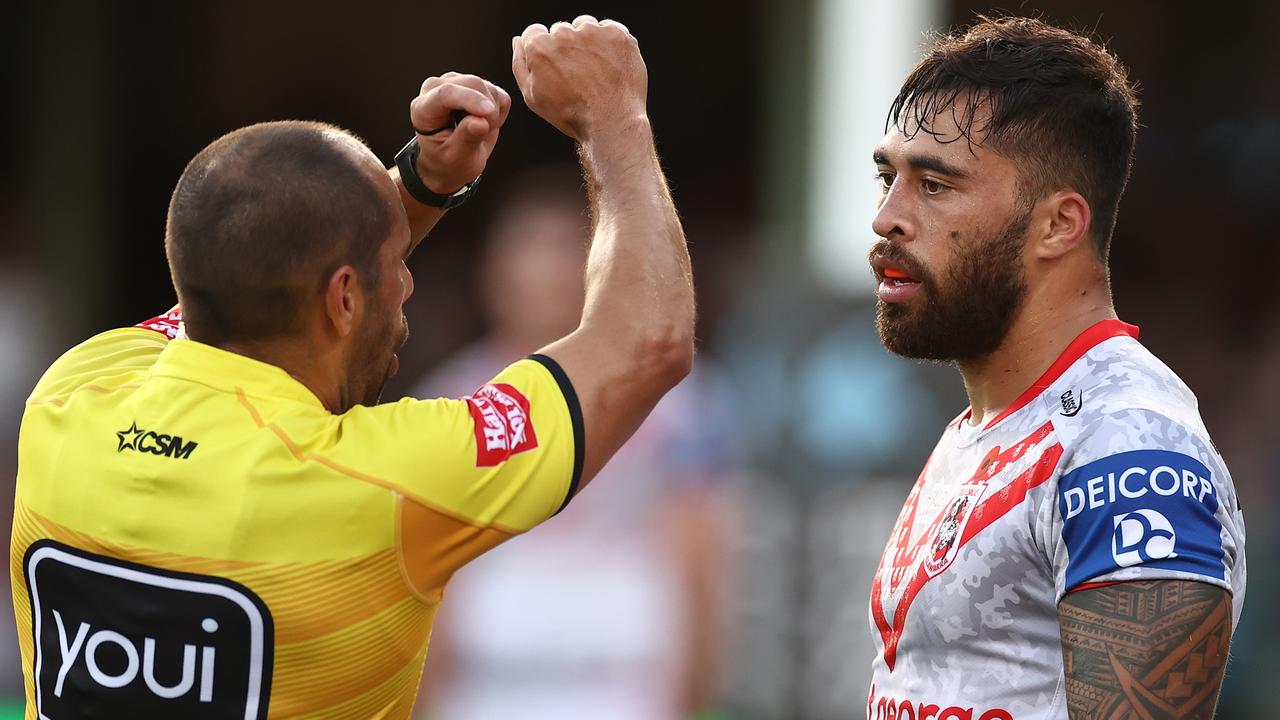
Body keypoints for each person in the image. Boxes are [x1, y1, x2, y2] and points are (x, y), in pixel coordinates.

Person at [10, 16, 694, 720]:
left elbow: (254, 277)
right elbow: (647, 341)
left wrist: (420, 186)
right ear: (343, 298)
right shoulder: (385, 485)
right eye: (396, 265)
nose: (407, 287)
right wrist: (613, 117)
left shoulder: (72, 392)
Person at [863, 16, 1245, 720]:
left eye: (936, 185)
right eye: (888, 177)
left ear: (1059, 225)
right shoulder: (981, 427)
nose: (888, 217)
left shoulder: (1128, 444)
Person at [409, 166, 739, 720]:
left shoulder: (675, 399)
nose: (543, 274)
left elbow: (704, 566)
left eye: (564, 251)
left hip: (626, 691)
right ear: (491, 273)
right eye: (527, 251)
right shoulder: (447, 401)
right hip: (485, 691)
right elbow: (424, 574)